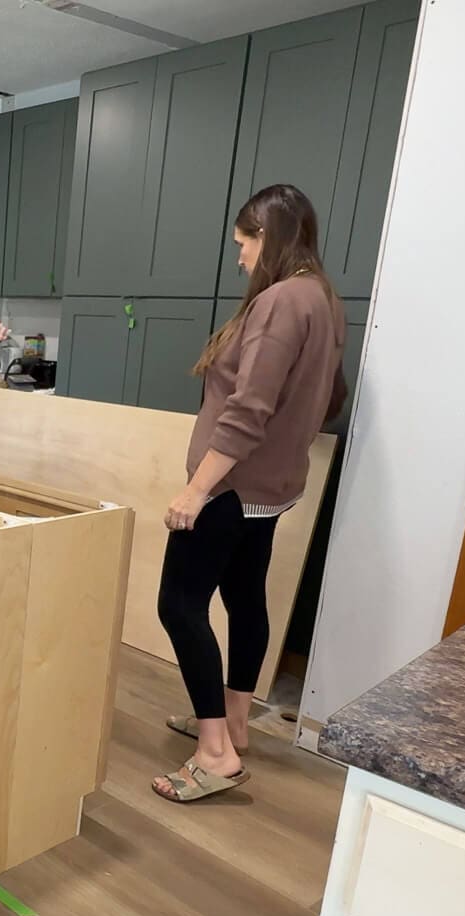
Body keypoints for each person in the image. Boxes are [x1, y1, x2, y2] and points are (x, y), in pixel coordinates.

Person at [151, 184, 347, 804]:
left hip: (231, 487)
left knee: (179, 605)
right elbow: (331, 395)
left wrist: (196, 489)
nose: (238, 258)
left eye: (243, 244)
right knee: (242, 597)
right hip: (270, 488)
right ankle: (234, 723)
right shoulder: (322, 299)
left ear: (268, 238)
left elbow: (248, 409)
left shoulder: (282, 302)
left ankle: (215, 754)